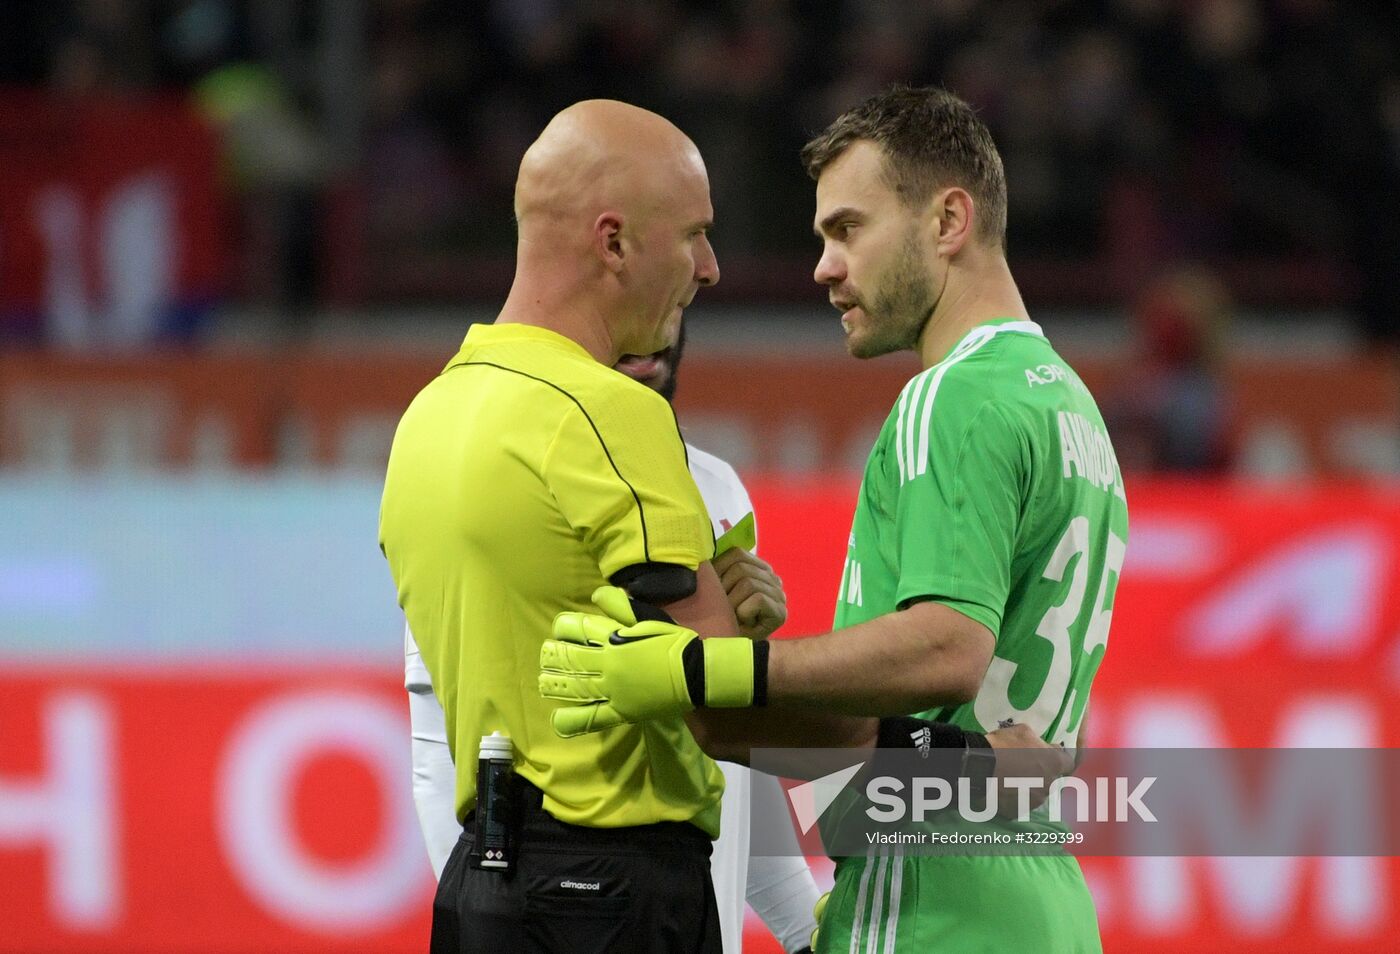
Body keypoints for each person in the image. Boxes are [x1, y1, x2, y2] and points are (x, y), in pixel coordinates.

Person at [540, 86, 1128, 952]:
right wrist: (724, 694)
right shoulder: (1071, 408)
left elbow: (945, 649)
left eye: (848, 229)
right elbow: (920, 737)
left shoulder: (949, 398)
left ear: (949, 221)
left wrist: (699, 671)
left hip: (929, 897)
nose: (824, 266)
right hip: (1041, 900)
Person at [380, 98, 736, 953]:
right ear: (613, 242)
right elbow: (726, 702)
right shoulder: (612, 411)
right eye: (693, 234)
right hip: (610, 894)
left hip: (479, 891)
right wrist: (958, 764)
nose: (711, 268)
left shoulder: (427, 417)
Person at [403, 322, 823, 954]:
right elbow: (440, 752)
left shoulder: (717, 484)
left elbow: (727, 746)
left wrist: (802, 930)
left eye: (677, 304)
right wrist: (495, 925)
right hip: (553, 922)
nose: (656, 330)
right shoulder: (496, 471)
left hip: (685, 921)